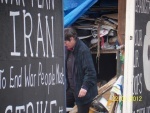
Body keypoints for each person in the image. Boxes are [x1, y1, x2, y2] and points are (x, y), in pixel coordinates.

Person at [64, 27, 98, 113]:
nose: (64, 44)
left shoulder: (83, 50)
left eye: (65, 42)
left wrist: (84, 87)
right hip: (70, 88)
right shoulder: (67, 50)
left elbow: (90, 72)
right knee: (61, 105)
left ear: (71, 39)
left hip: (82, 90)